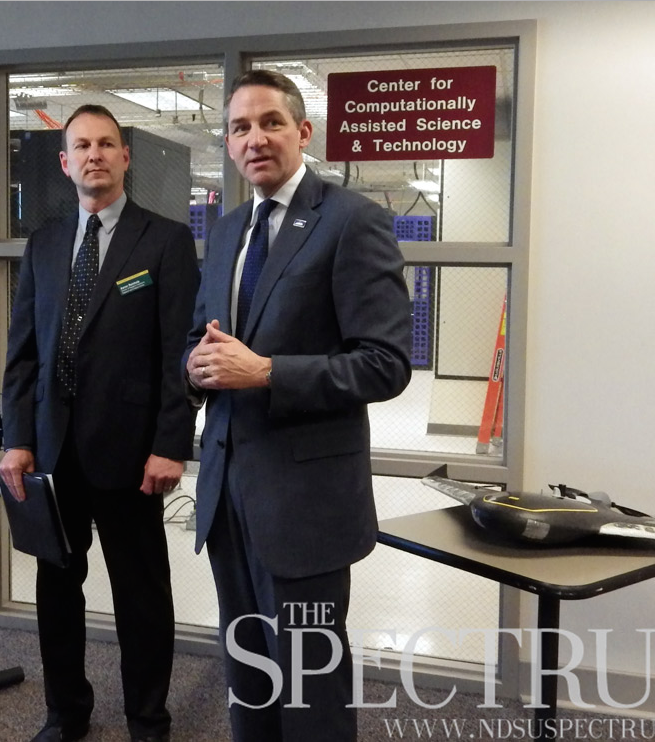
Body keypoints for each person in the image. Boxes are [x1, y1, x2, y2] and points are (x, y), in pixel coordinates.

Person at [184, 70, 414, 742]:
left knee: (311, 689)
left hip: (306, 503)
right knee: (249, 677)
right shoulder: (228, 232)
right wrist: (193, 366)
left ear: (303, 132)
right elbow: (198, 337)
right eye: (240, 127)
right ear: (229, 142)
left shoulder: (351, 222)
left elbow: (385, 363)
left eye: (270, 123)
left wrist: (266, 372)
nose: (255, 139)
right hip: (228, 495)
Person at [0, 105, 200, 742]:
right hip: (52, 454)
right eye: (82, 146)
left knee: (142, 595)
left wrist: (170, 443)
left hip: (132, 453)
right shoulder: (45, 243)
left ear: (125, 157)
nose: (95, 155)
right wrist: (16, 438)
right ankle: (66, 714)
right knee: (57, 590)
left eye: (107, 144)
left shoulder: (164, 241)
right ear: (65, 162)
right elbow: (23, 351)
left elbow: (178, 354)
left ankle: (148, 720)